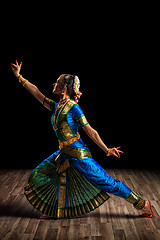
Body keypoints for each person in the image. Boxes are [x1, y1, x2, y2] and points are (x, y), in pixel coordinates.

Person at [11, 60, 154, 219]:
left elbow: (90, 131)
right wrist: (19, 77)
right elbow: (37, 93)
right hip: (64, 152)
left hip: (79, 155)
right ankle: (57, 212)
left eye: (57, 82)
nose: (54, 83)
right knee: (45, 174)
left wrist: (106, 149)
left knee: (106, 182)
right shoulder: (56, 106)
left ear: (64, 87)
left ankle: (142, 204)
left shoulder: (73, 108)